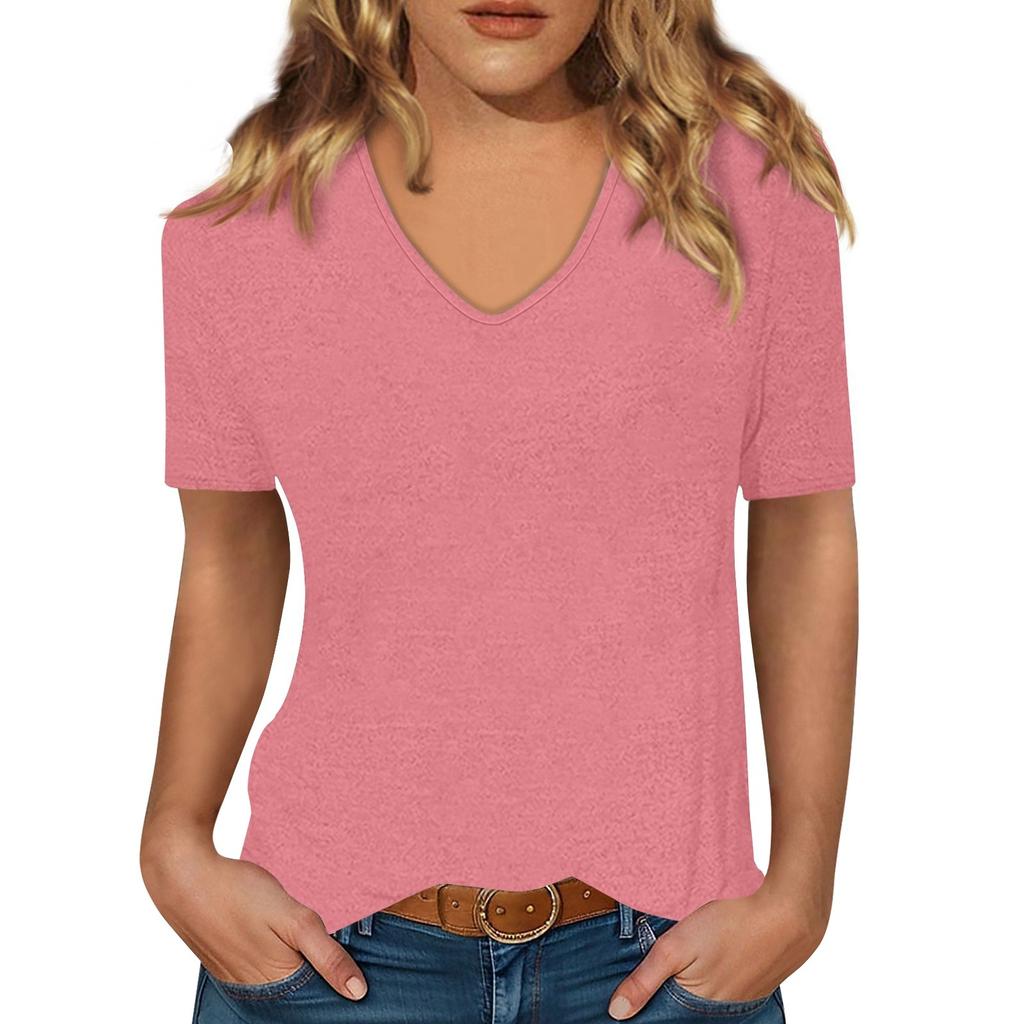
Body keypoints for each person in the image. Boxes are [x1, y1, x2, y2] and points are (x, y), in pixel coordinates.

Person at [141, 1, 859, 1021]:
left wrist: (802, 886)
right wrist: (173, 840)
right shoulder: (240, 235)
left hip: (666, 962)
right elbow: (229, 557)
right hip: (325, 956)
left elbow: (803, 524)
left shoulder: (747, 197)